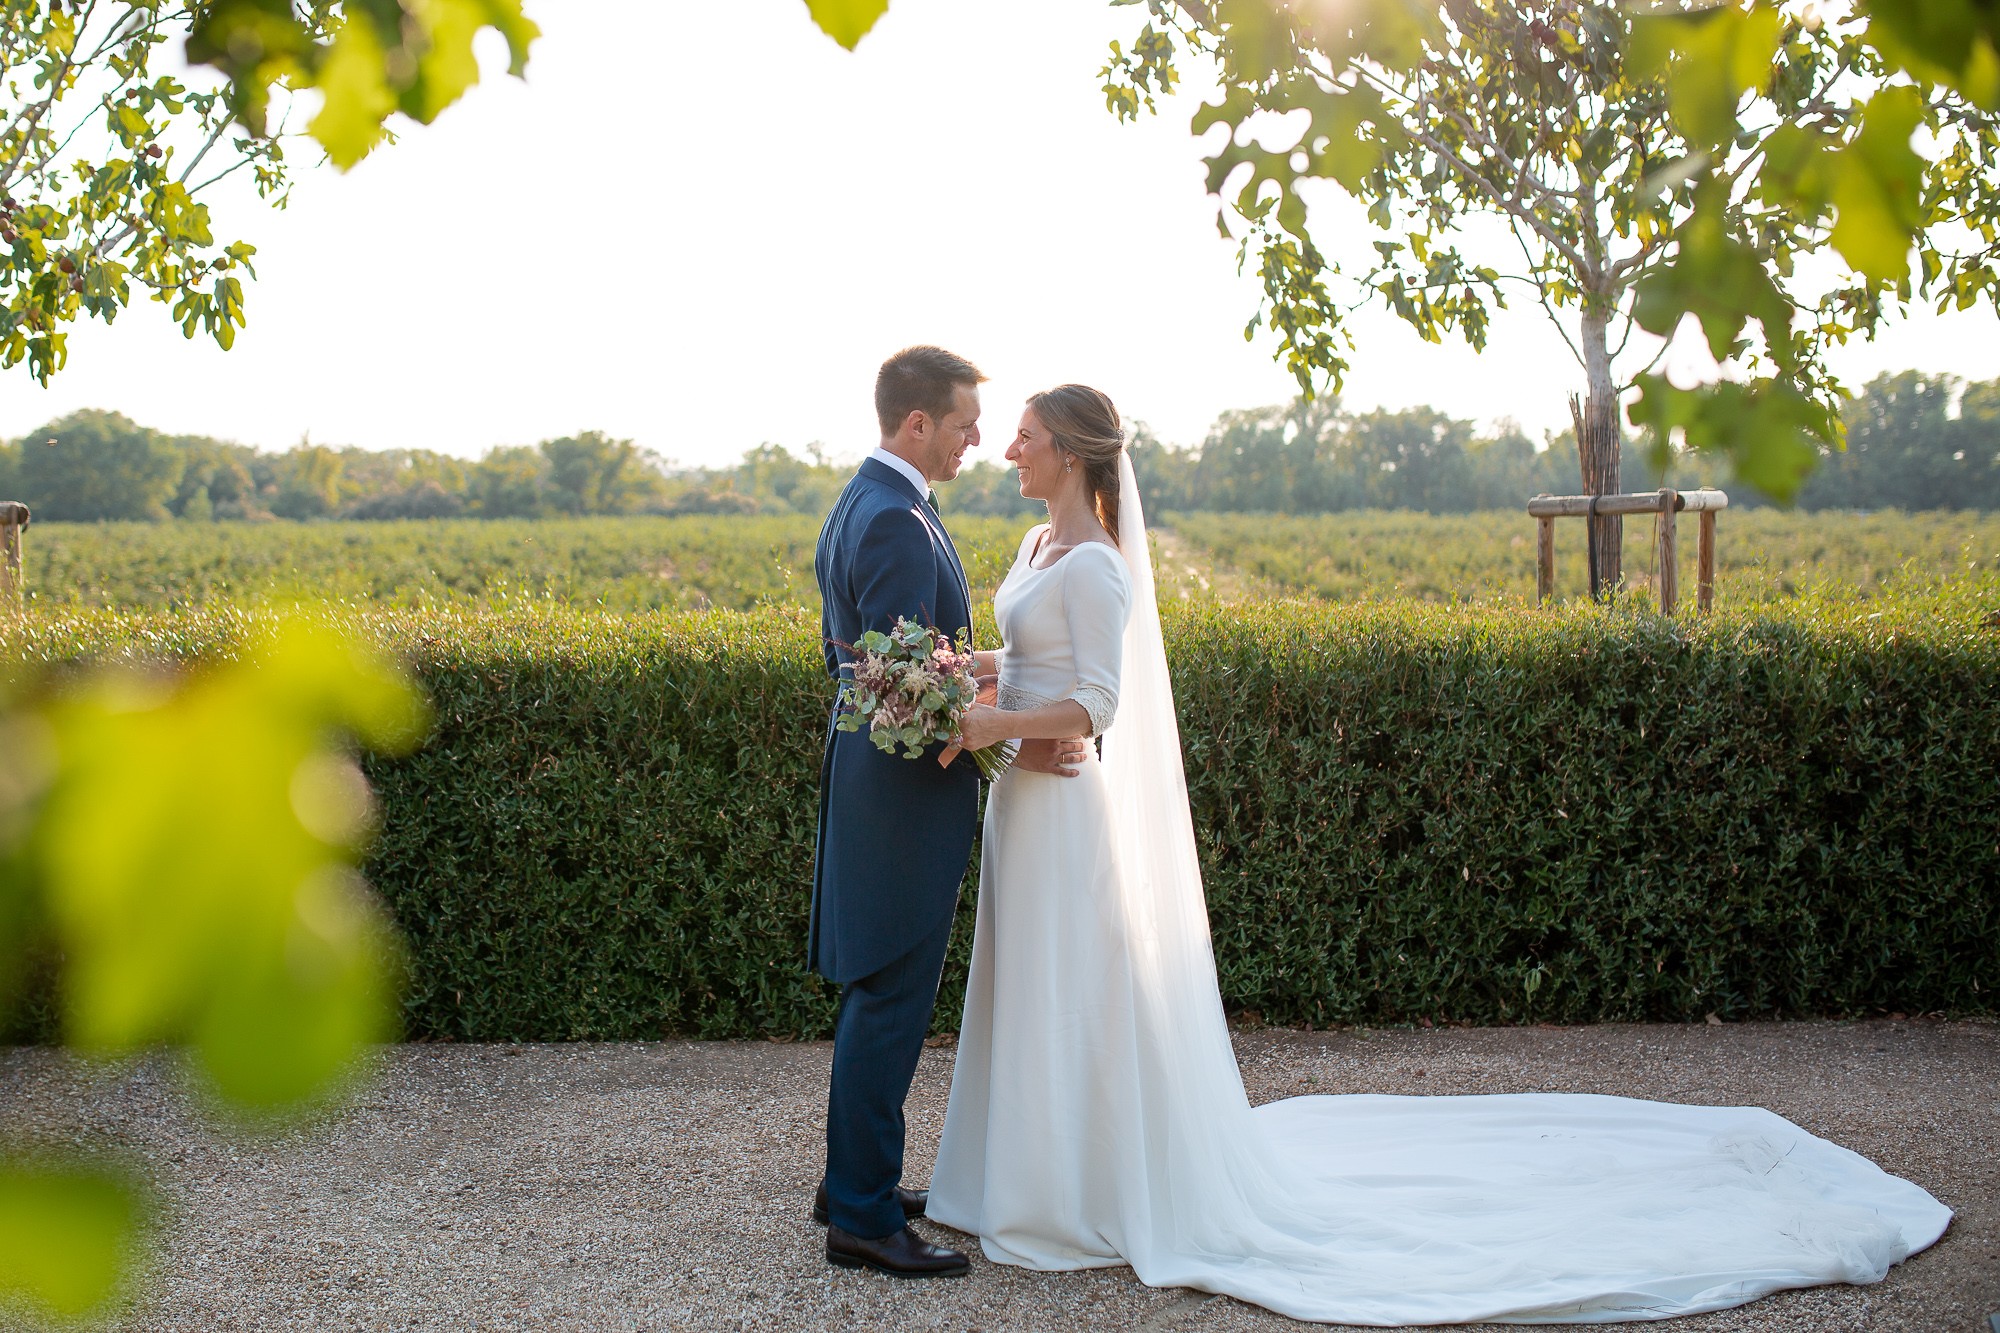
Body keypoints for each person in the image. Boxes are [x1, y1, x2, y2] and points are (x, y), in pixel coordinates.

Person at [929, 383, 1952, 1324]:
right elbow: (1027, 661)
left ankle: (1080, 1188)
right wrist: (966, 671)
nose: (1007, 446)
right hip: (1020, 802)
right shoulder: (1031, 544)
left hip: (1066, 807)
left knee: (1073, 991)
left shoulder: (1103, 566)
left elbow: (1099, 704)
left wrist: (988, 729)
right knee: (1027, 986)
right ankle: (1022, 1174)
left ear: (1064, 449)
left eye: (1021, 433)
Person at [810, 346, 1087, 1280]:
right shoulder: (892, 519)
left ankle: (855, 1184)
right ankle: (860, 1216)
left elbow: (873, 667)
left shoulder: (867, 502)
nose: (982, 438)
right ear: (917, 422)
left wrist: (995, 699)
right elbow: (897, 683)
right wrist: (1007, 741)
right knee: (890, 994)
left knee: (877, 991)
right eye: (968, 421)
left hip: (878, 779)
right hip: (902, 791)